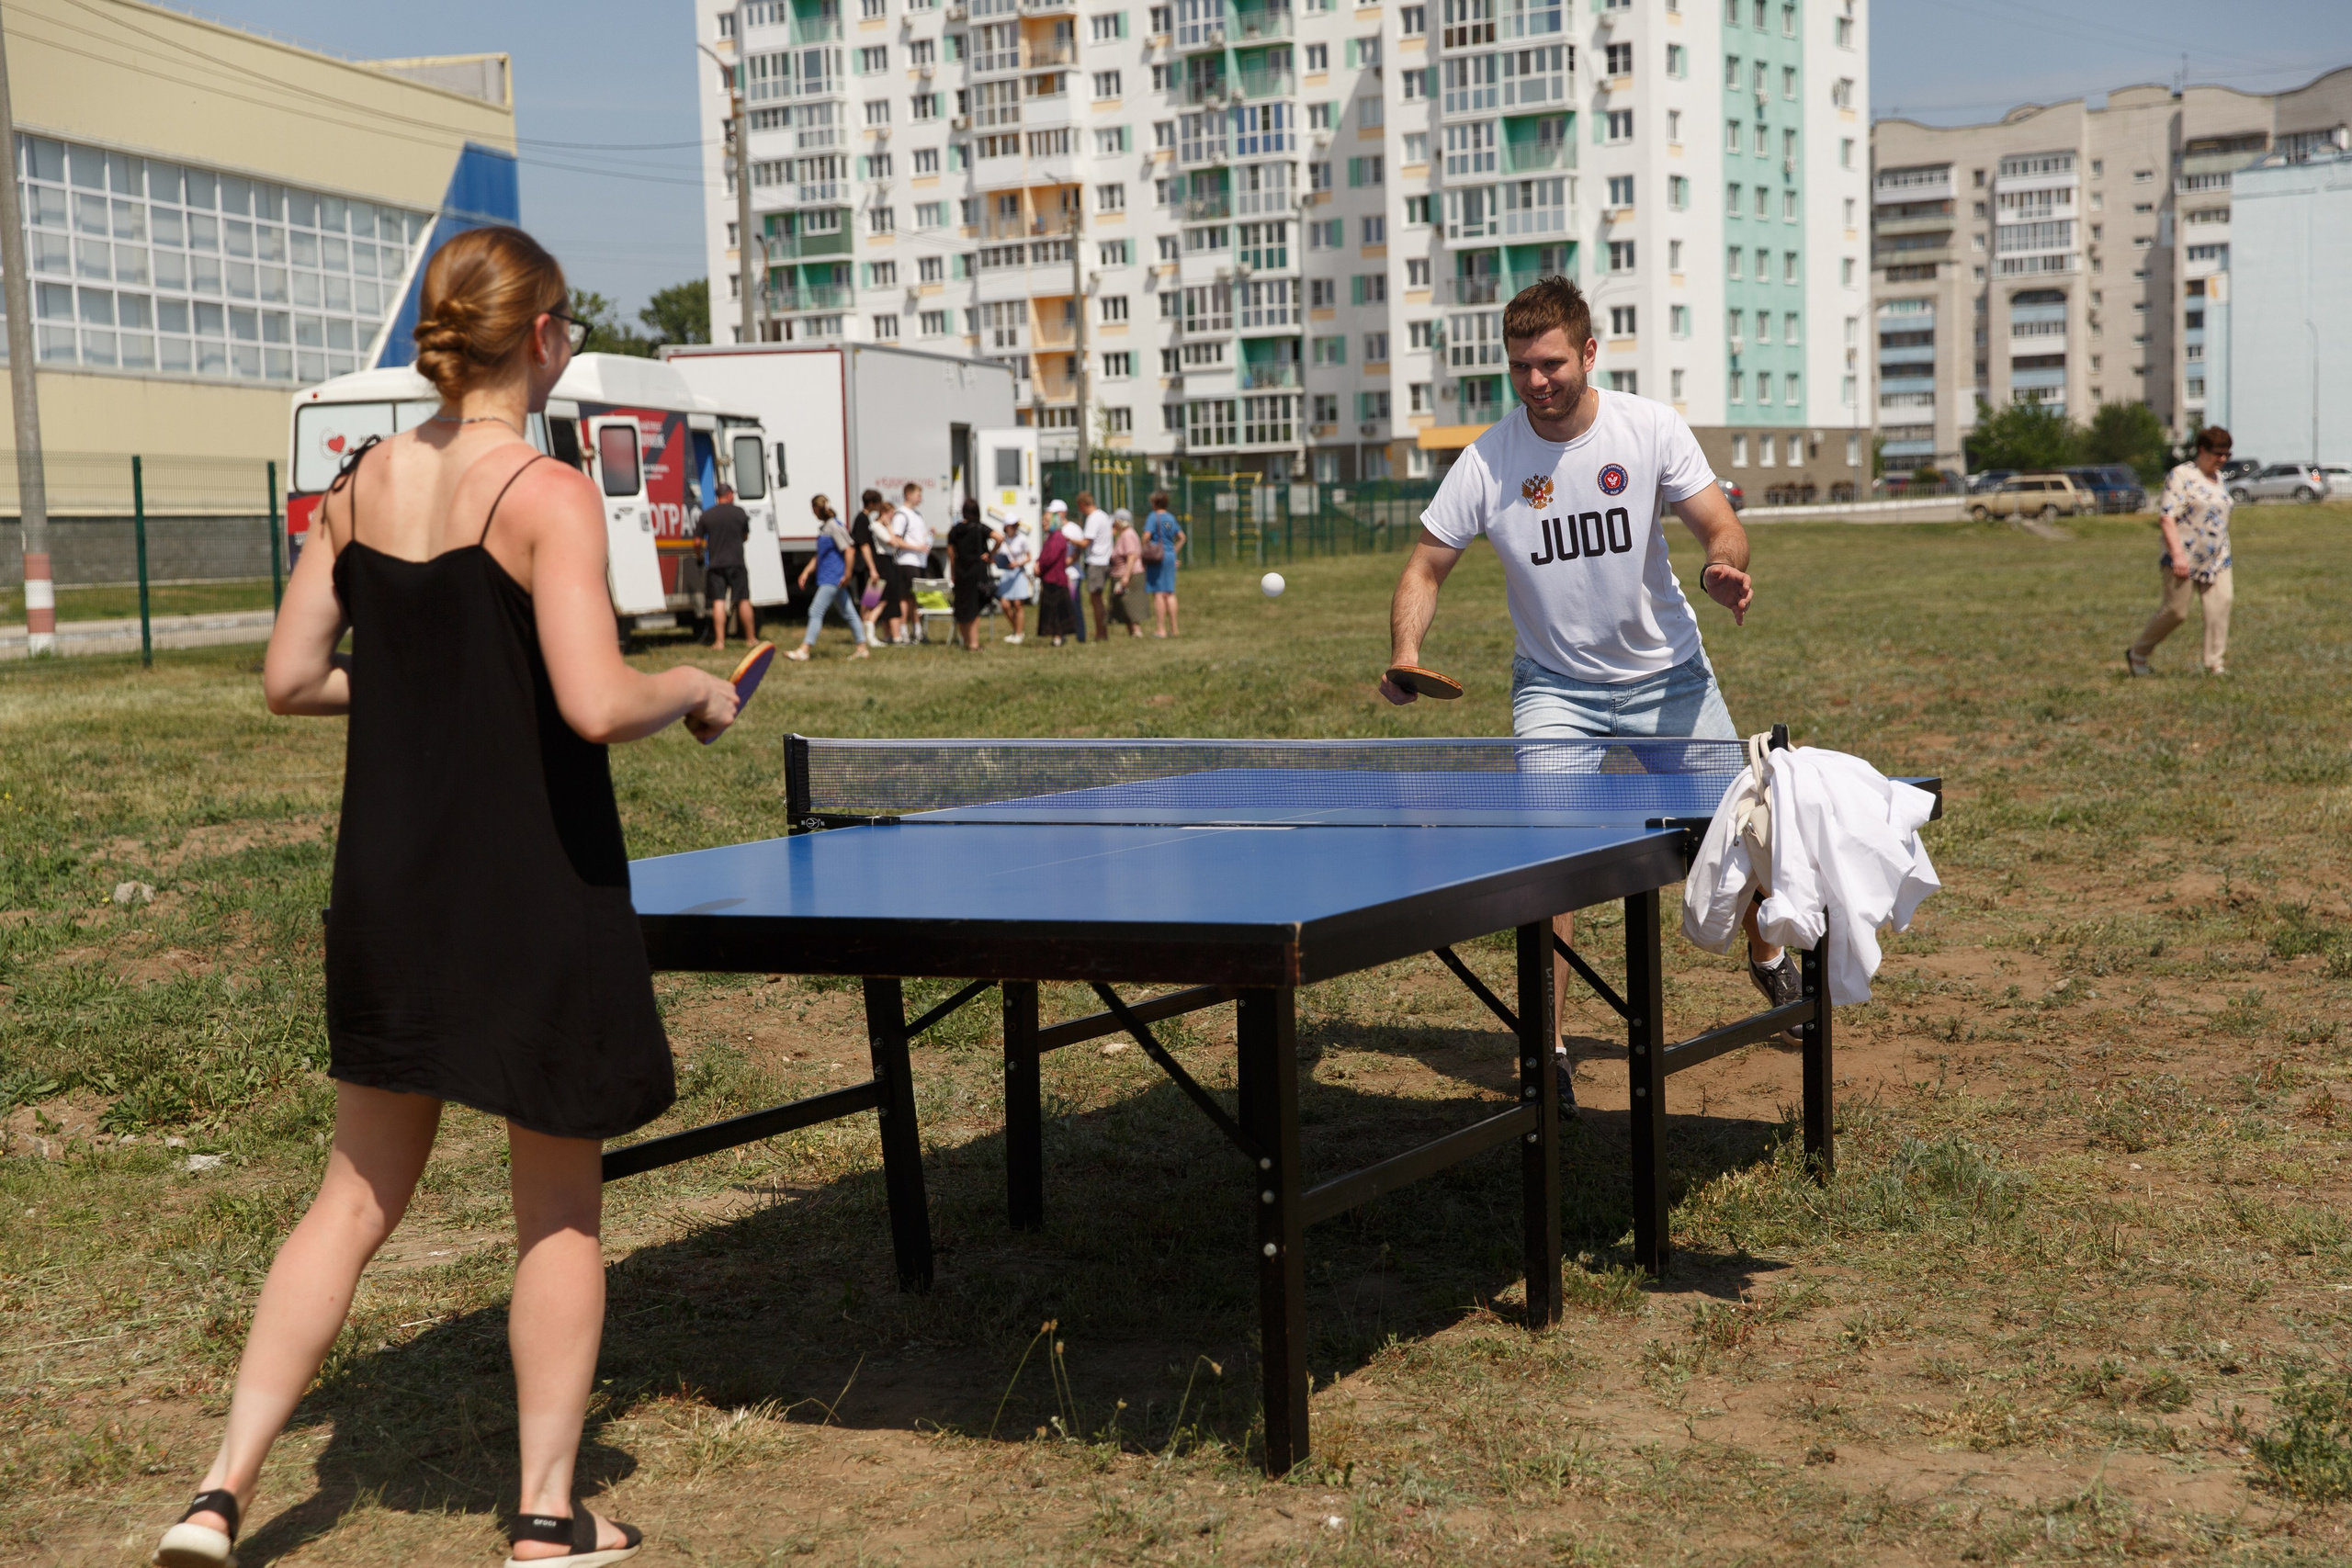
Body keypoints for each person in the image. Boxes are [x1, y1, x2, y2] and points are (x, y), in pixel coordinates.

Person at [153, 227, 739, 1568]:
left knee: (350, 1197)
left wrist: (423, 686)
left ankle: (218, 1492)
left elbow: (291, 678)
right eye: (568, 319)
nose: (572, 339)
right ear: (536, 335)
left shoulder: (359, 485)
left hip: (390, 891)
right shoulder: (548, 493)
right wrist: (695, 687)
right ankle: (545, 1514)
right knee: (559, 1208)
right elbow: (595, 701)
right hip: (530, 889)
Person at [1379, 275, 1774, 1100]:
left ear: (1589, 352)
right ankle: (1548, 1046)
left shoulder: (1649, 427)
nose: (1536, 381)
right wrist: (1406, 650)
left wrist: (1722, 565)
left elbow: (1720, 522)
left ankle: (1768, 950)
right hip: (1555, 689)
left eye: (1551, 363)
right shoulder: (1487, 461)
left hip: (1666, 674)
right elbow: (1425, 565)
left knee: (1745, 827)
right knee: (1549, 862)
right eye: (1520, 367)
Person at [2127, 424, 2233, 678]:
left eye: (2227, 454)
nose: (2222, 459)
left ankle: (2214, 664)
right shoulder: (2181, 475)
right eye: (2218, 453)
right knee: (2176, 612)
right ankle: (2138, 653)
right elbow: (2167, 517)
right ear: (2202, 450)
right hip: (2183, 556)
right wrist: (2177, 556)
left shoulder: (2220, 479)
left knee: (2221, 604)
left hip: (2217, 558)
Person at [786, 494, 869, 660]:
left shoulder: (834, 526)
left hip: (833, 577)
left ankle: (804, 650)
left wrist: (847, 574)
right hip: (828, 576)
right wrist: (806, 572)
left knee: (815, 610)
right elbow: (820, 555)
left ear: (817, 508)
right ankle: (862, 648)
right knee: (849, 613)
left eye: (813, 509)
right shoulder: (825, 527)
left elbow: (850, 550)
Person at [696, 482, 756, 652]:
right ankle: (751, 639)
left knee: (718, 601)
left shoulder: (707, 515)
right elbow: (745, 536)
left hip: (716, 564)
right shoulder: (740, 513)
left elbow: (697, 542)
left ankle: (719, 642)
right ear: (729, 494)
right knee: (743, 599)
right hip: (737, 563)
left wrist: (700, 557)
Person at [889, 481, 933, 646]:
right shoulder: (902, 514)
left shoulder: (917, 514)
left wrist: (929, 536)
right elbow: (896, 540)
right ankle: (903, 631)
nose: (920, 498)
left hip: (919, 561)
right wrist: (916, 547)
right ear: (908, 495)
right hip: (907, 561)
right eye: (918, 495)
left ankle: (917, 630)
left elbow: (917, 537)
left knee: (916, 598)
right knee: (905, 597)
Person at [947, 496, 991, 652]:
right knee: (973, 609)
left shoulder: (955, 530)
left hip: (961, 571)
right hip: (976, 572)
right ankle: (974, 644)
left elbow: (951, 554)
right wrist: (990, 554)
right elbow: (999, 537)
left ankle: (966, 641)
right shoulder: (979, 528)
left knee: (961, 607)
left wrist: (953, 572)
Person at [856, 488, 897, 646]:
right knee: (879, 600)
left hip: (871, 566)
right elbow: (864, 546)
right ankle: (869, 635)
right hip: (872, 566)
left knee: (869, 601)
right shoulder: (863, 520)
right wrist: (873, 569)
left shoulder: (865, 520)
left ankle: (866, 635)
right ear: (872, 503)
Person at [1143, 491, 1184, 637]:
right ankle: (1174, 628)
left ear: (1154, 503)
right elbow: (1182, 537)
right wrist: (1173, 551)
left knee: (1159, 593)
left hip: (1157, 557)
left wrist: (1145, 549)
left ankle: (1160, 629)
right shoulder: (1171, 518)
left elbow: (1146, 536)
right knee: (1170, 592)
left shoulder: (1153, 517)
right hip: (1170, 556)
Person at [1035, 510, 1077, 646]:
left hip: (1056, 579)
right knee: (1051, 611)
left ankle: (1058, 636)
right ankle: (1055, 635)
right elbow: (1043, 555)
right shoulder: (1050, 537)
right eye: (1043, 520)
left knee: (1057, 611)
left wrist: (1039, 566)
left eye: (1047, 521)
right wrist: (1037, 563)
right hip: (1049, 578)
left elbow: (1050, 557)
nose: (1043, 523)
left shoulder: (1058, 537)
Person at [1078, 490, 1115, 641]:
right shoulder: (1103, 516)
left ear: (1082, 505)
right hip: (1105, 560)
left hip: (1096, 562)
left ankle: (1101, 633)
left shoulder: (1093, 518)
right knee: (1098, 598)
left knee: (1096, 599)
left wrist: (1069, 539)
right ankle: (1102, 632)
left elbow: (1085, 542)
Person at [993, 510, 1033, 644]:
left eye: (1016, 525)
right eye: (1012, 525)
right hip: (1006, 573)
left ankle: (1019, 633)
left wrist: (1018, 563)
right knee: (1004, 604)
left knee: (1017, 605)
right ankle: (1016, 629)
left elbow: (1029, 557)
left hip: (1018, 573)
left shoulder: (1022, 539)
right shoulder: (1002, 540)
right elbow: (995, 555)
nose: (1015, 527)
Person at [1056, 500, 1091, 644]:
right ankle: (1062, 634)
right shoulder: (1054, 529)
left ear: (1063, 513)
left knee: (1074, 605)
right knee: (1060, 605)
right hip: (1059, 573)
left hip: (1072, 574)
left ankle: (1080, 635)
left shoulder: (1073, 529)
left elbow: (1079, 548)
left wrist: (1069, 561)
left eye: (1055, 513)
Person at [1108, 508, 1148, 637]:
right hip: (1123, 573)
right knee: (1124, 605)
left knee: (1130, 603)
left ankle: (1136, 631)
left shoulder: (1128, 535)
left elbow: (1132, 556)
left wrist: (1125, 576)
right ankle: (1132, 631)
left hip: (1130, 574)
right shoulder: (1124, 534)